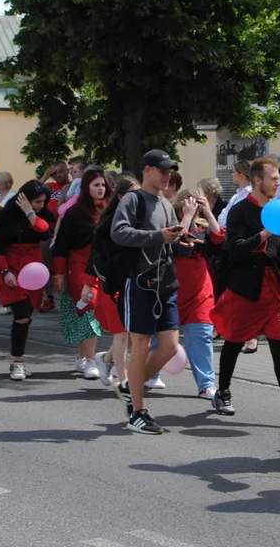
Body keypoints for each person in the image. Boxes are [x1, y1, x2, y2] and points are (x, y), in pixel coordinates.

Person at [111, 150, 197, 435]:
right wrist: (157, 237)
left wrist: (178, 245)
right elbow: (119, 232)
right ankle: (137, 412)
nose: (167, 175)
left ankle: (129, 387)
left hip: (165, 284)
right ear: (146, 170)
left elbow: (165, 244)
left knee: (171, 346)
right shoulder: (133, 200)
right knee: (142, 347)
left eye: (169, 171)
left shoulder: (165, 204)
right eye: (162, 170)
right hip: (139, 283)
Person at [211, 157, 280, 423]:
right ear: (257, 180)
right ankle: (223, 390)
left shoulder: (277, 209)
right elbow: (234, 248)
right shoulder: (240, 210)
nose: (278, 182)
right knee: (235, 340)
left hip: (274, 289)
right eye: (274, 177)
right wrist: (262, 235)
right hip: (247, 287)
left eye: (279, 177)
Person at [0, 180, 54, 380]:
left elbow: (44, 231)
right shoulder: (6, 216)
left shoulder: (41, 215)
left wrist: (30, 212)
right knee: (21, 313)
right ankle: (17, 361)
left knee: (28, 314)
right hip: (12, 266)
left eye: (43, 202)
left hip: (33, 267)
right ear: (24, 199)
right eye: (36, 202)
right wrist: (5, 272)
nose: (41, 205)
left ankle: (19, 361)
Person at [51, 168, 108, 379]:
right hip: (79, 267)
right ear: (86, 188)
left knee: (92, 312)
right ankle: (91, 360)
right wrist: (58, 274)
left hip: (102, 267)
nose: (101, 189)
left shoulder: (108, 210)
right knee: (88, 309)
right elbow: (61, 246)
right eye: (96, 185)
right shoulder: (74, 213)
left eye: (103, 185)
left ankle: (83, 357)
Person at [85, 175, 139, 387]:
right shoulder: (108, 223)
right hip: (113, 284)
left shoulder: (142, 220)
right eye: (132, 194)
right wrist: (88, 284)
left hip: (134, 283)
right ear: (120, 196)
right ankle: (124, 380)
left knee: (132, 334)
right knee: (121, 334)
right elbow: (94, 256)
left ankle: (105, 359)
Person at [172, 188, 222, 399]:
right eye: (191, 203)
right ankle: (149, 374)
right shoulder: (170, 221)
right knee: (160, 340)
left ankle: (206, 384)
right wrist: (187, 216)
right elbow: (177, 243)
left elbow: (219, 238)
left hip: (199, 290)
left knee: (201, 335)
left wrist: (208, 212)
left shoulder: (202, 225)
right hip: (172, 289)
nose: (195, 207)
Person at [218, 159, 253, 229]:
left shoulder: (252, 195)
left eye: (233, 172)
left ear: (241, 175)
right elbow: (221, 217)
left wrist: (229, 223)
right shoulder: (236, 196)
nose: (232, 174)